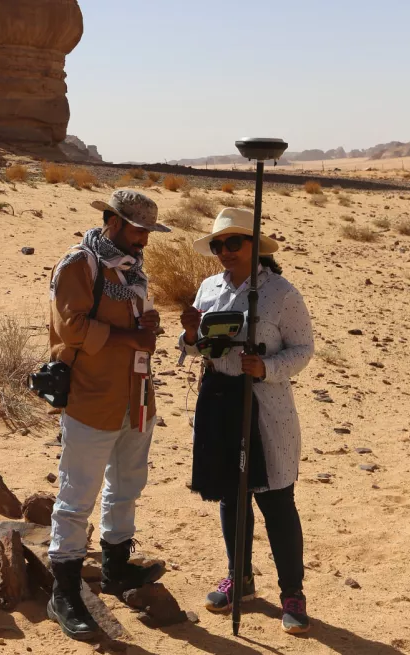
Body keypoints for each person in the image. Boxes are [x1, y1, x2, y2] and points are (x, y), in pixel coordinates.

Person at [178, 207, 315, 635]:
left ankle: (292, 592)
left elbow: (303, 349)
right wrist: (189, 335)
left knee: (275, 499)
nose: (224, 252)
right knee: (230, 496)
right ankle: (241, 578)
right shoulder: (208, 288)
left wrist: (266, 367)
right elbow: (197, 348)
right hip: (219, 401)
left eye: (233, 243)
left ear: (255, 245)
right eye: (218, 245)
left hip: (265, 406)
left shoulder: (282, 293)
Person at [46, 189, 171, 641]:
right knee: (77, 496)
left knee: (128, 485)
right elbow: (71, 327)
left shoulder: (132, 270)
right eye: (139, 230)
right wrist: (129, 339)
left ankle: (117, 569)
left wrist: (149, 327)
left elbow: (140, 320)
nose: (144, 240)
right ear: (113, 222)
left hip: (136, 398)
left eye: (148, 233)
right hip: (91, 398)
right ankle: (64, 592)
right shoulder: (79, 265)